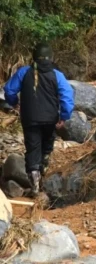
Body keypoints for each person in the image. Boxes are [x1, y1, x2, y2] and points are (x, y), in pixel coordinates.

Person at [3, 44, 74, 195]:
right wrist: (64, 116)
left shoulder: (23, 72)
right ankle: (44, 171)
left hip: (30, 119)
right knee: (47, 146)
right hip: (51, 119)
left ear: (34, 57)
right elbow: (67, 97)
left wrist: (14, 102)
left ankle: (35, 183)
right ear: (51, 57)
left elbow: (9, 89)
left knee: (33, 148)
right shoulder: (57, 75)